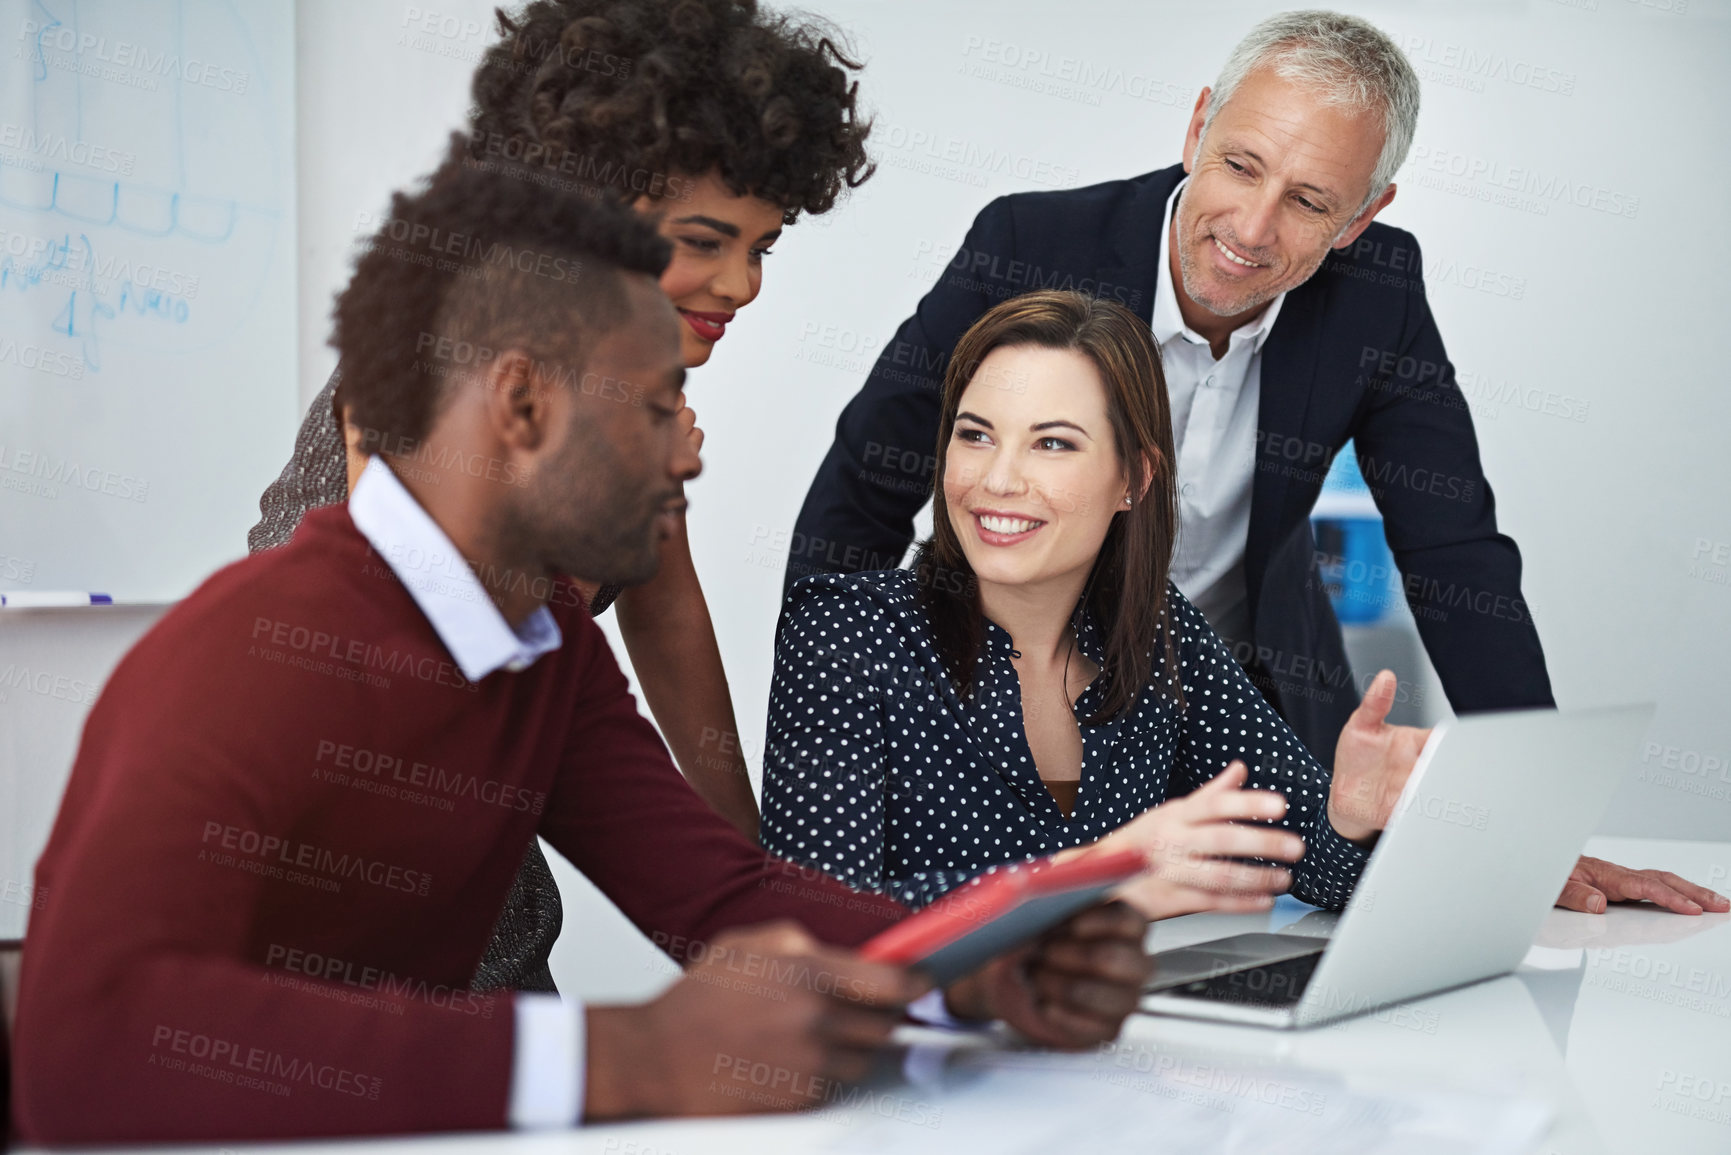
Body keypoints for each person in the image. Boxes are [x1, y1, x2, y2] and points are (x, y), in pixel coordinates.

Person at [12, 150, 1151, 1143]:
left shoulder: (542, 640)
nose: (685, 459)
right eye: (655, 411)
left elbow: (718, 894)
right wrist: (624, 1056)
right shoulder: (251, 650)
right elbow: (82, 1054)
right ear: (521, 406)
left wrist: (979, 969)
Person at [782, 10, 1727, 918]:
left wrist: (1532, 828)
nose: (1251, 225)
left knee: (1280, 917)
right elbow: (865, 489)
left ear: (1359, 217)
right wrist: (831, 709)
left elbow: (1456, 554)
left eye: (1310, 201)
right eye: (1240, 164)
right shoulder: (1032, 244)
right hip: (996, 664)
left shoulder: (1376, 297)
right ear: (1198, 127)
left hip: (1232, 678)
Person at [253, 0, 880, 994]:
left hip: (483, 844)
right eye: (707, 241)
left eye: (762, 247)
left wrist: (748, 875)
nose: (743, 285)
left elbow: (666, 618)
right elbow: (424, 649)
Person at [763, 290, 1431, 916]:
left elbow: (1311, 863)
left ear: (1131, 480)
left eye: (1052, 443)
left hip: (1112, 1027)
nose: (997, 479)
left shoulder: (1155, 631)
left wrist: (1348, 816)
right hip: (926, 1037)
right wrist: (1096, 875)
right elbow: (816, 917)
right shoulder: (844, 628)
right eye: (975, 435)